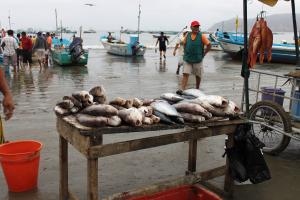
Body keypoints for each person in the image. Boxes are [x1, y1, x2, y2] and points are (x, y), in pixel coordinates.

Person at [176, 21, 212, 95]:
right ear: (191, 27)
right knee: (185, 73)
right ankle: (182, 89)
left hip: (198, 58)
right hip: (188, 58)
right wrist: (185, 51)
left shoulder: (201, 35)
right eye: (195, 26)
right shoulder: (187, 35)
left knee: (198, 74)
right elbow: (184, 43)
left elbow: (209, 45)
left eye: (198, 26)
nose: (196, 28)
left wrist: (204, 54)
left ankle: (197, 88)